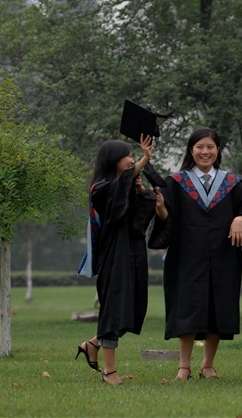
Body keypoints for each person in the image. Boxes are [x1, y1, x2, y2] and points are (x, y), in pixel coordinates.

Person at [150, 128, 242, 381]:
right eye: (200, 147)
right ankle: (184, 366)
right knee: (186, 307)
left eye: (210, 147)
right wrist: (161, 209)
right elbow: (167, 221)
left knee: (217, 307)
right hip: (187, 257)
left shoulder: (232, 183)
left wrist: (239, 219)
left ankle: (208, 365)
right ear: (191, 150)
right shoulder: (176, 183)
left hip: (223, 256)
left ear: (218, 150)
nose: (205, 152)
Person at [76, 134, 162, 385]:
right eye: (127, 155)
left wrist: (143, 192)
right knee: (115, 311)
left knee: (131, 311)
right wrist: (146, 159)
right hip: (114, 256)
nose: (131, 159)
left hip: (134, 254)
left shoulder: (126, 185)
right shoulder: (100, 188)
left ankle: (92, 344)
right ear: (112, 159)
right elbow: (116, 199)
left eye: (133, 156)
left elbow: (138, 224)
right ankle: (109, 371)